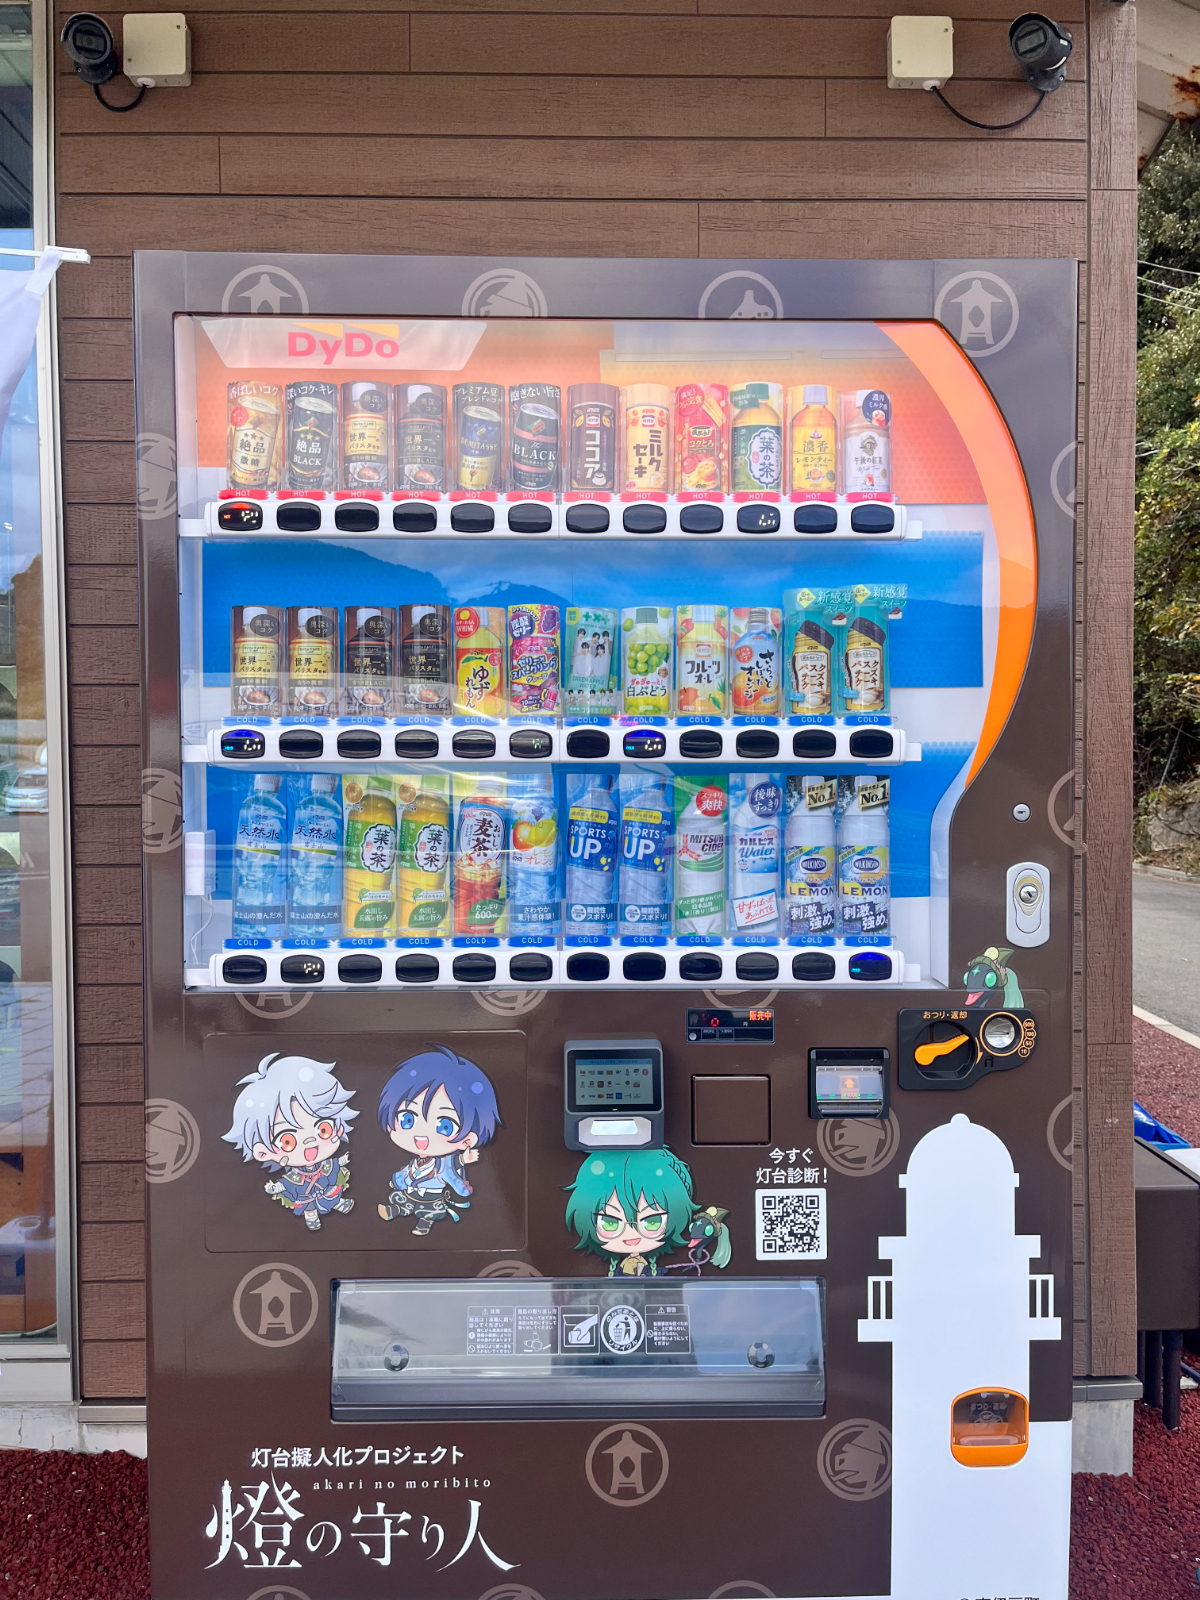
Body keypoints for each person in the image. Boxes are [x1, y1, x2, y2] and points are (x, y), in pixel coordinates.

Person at [223, 1053, 357, 1231]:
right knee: (309, 1205)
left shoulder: (325, 1165)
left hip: (325, 1187)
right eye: (287, 1141)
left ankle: (338, 1203)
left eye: (323, 1129)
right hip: (306, 1196)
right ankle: (311, 1216)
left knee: (331, 1193)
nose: (310, 1141)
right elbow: (286, 1184)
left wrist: (342, 1160)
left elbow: (333, 1165)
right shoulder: (294, 1175)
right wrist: (275, 1188)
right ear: (263, 1152)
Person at [377, 1045, 502, 1236]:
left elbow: (452, 1168)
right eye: (407, 1119)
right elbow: (407, 1172)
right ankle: (394, 1210)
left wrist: (464, 1161)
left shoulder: (444, 1164)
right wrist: (398, 1181)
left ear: (468, 1139)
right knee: (405, 1203)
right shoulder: (416, 1161)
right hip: (412, 1191)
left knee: (428, 1212)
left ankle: (424, 1224)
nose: (421, 1136)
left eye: (445, 1126)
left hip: (432, 1197)